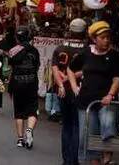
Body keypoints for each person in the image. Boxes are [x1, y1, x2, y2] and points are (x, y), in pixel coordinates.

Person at [68, 21, 119, 165]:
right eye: (103, 37)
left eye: (108, 37)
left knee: (108, 125)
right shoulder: (86, 53)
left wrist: (110, 95)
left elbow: (117, 78)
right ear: (94, 39)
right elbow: (70, 69)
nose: (106, 40)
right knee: (87, 136)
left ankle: (107, 159)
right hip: (85, 101)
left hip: (105, 100)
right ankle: (93, 162)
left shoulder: (114, 55)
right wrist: (74, 87)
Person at [52, 18, 87, 165]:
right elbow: (86, 69)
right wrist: (70, 77)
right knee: (77, 125)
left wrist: (61, 83)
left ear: (70, 31)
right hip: (80, 90)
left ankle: (66, 159)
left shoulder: (60, 48)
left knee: (66, 124)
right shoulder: (87, 49)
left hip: (63, 91)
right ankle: (75, 159)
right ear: (85, 32)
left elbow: (54, 68)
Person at [7, 26, 40, 149]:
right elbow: (37, 67)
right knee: (32, 109)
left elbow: (11, 69)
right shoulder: (34, 51)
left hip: (17, 82)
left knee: (19, 112)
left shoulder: (13, 51)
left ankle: (20, 139)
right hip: (31, 82)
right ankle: (29, 130)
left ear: (17, 37)